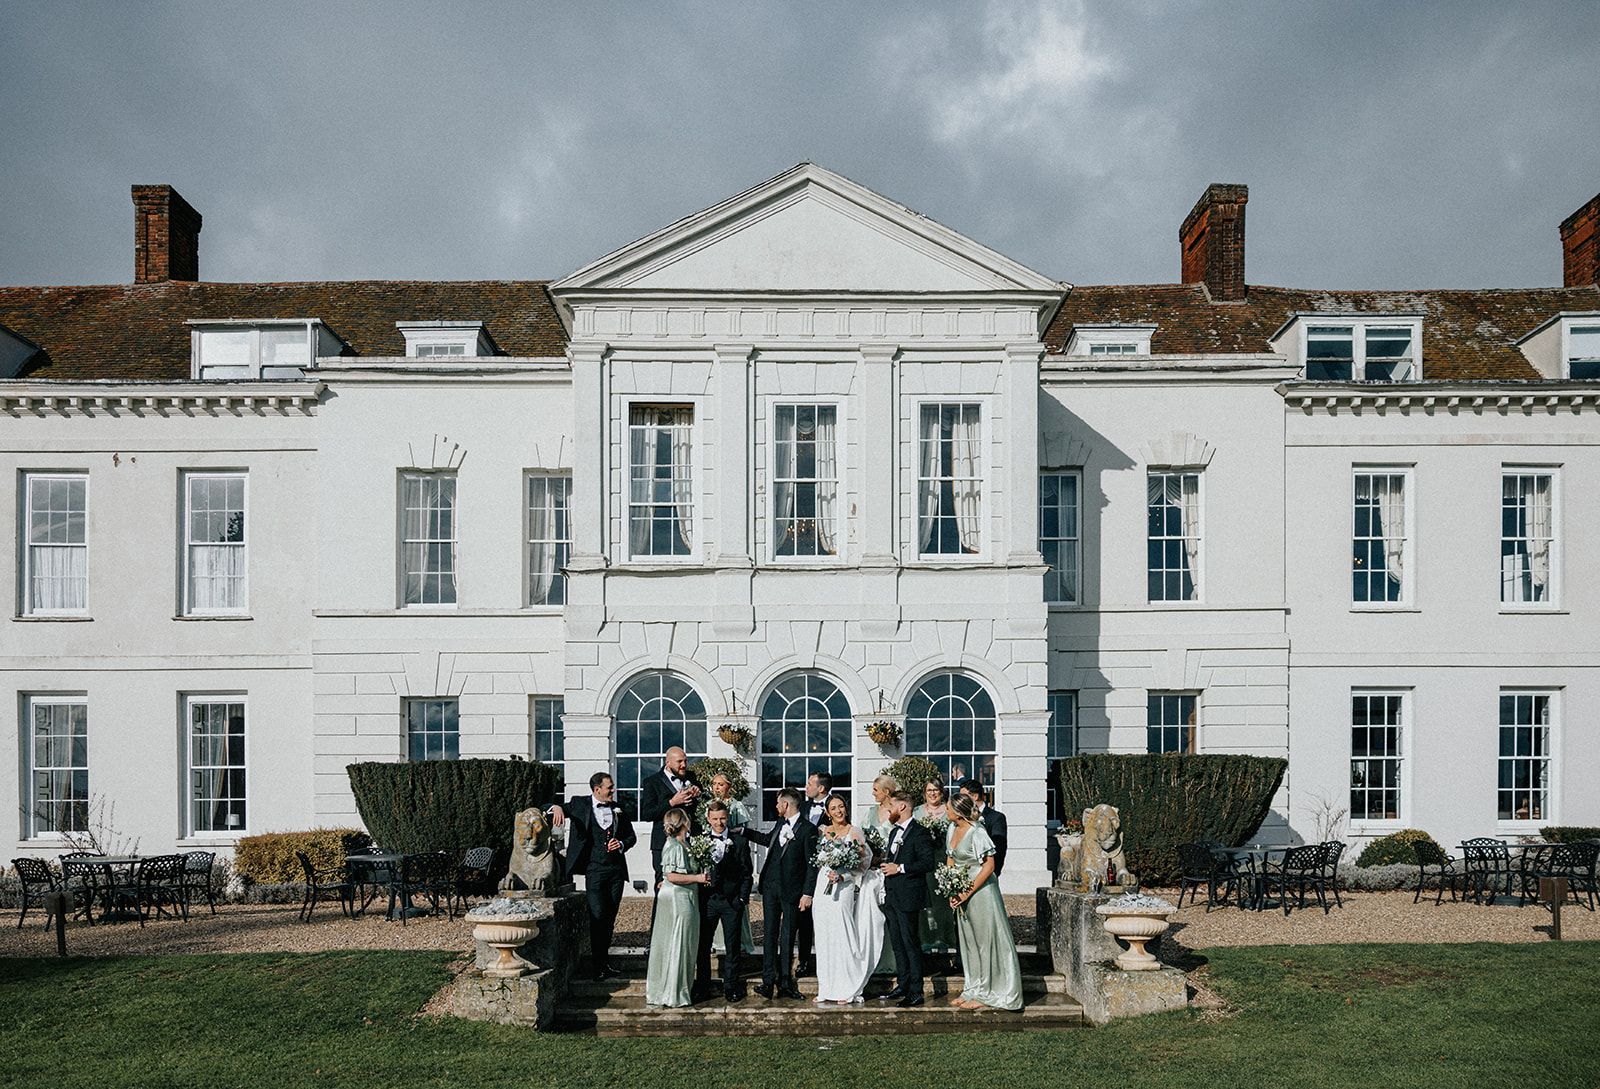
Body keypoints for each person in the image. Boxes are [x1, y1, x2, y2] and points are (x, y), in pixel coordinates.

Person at [552, 771, 636, 981]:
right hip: (594, 872)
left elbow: (631, 836)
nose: (613, 790)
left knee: (610, 919)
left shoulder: (618, 808)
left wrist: (622, 844)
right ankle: (597, 966)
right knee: (597, 917)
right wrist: (555, 807)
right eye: (609, 787)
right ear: (597, 789)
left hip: (616, 872)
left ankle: (604, 964)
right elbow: (551, 808)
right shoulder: (580, 804)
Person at [945, 794, 1023, 1011]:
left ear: (959, 812)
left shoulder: (978, 832)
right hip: (961, 890)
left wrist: (967, 892)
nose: (946, 811)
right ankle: (973, 987)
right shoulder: (951, 829)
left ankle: (988, 992)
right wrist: (951, 887)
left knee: (985, 942)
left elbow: (989, 866)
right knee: (969, 941)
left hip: (981, 892)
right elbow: (950, 858)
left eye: (948, 808)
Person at [742, 787, 818, 1000]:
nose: (776, 807)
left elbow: (812, 865)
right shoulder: (779, 824)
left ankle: (785, 982)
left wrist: (807, 893)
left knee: (787, 937)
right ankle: (768, 982)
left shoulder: (808, 829)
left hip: (793, 891)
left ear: (786, 804)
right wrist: (745, 832)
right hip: (771, 887)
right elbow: (769, 841)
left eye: (777, 803)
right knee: (769, 934)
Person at [811, 793, 885, 1004]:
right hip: (823, 885)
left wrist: (843, 876)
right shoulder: (824, 832)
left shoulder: (855, 832)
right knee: (824, 936)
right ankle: (826, 987)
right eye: (833, 808)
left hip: (843, 886)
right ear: (827, 812)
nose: (838, 811)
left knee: (842, 933)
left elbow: (863, 864)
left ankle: (847, 986)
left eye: (841, 807)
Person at [644, 808, 708, 1008]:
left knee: (684, 943)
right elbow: (671, 875)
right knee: (678, 942)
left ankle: (680, 988)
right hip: (678, 898)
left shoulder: (684, 843)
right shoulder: (673, 846)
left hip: (686, 895)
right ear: (685, 822)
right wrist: (698, 878)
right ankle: (673, 993)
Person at [877, 789, 935, 1008]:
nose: (888, 810)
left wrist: (899, 867)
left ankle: (916, 990)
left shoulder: (919, 833)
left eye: (890, 806)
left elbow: (927, 863)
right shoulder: (894, 832)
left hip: (909, 895)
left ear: (902, 807)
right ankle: (902, 984)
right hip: (892, 895)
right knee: (897, 943)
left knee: (911, 943)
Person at [695, 799, 753, 1002]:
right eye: (715, 819)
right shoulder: (700, 840)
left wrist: (742, 899)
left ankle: (731, 987)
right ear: (708, 819)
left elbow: (747, 874)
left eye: (722, 818)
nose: (719, 823)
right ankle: (702, 986)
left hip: (731, 902)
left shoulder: (739, 842)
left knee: (732, 946)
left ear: (727, 818)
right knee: (703, 946)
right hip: (708, 901)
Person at [705, 772, 757, 958]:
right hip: (712, 855)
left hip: (733, 853)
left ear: (728, 786)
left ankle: (740, 942)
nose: (716, 787)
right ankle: (713, 942)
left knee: (733, 905)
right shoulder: (708, 806)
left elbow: (743, 832)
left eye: (720, 784)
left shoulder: (736, 805)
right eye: (714, 784)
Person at [794, 769, 835, 975]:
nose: (806, 787)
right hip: (803, 867)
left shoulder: (836, 807)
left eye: (810, 784)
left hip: (827, 867)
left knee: (826, 915)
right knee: (804, 916)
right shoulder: (802, 806)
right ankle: (803, 960)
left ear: (821, 788)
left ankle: (828, 959)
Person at [640, 746, 701, 883]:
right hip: (663, 841)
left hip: (691, 839)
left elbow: (699, 807)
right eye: (679, 762)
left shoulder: (692, 777)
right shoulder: (652, 782)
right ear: (668, 762)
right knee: (663, 884)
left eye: (685, 761)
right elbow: (647, 814)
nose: (684, 765)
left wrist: (698, 794)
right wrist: (672, 802)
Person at [913, 780, 958, 956]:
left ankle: (944, 937)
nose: (932, 793)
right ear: (924, 793)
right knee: (924, 903)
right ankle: (926, 938)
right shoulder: (917, 812)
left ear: (942, 792)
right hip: (922, 862)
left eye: (936, 790)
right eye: (929, 790)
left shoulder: (948, 811)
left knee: (942, 902)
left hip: (942, 859)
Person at [958, 778, 1008, 876]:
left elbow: (999, 849)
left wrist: (993, 873)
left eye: (964, 797)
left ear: (975, 796)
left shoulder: (996, 818)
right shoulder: (961, 818)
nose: (961, 800)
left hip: (986, 873)